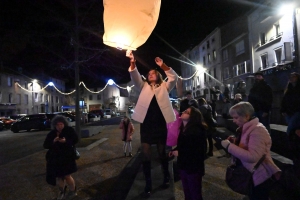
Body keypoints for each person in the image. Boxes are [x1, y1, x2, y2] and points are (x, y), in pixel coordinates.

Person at [127, 50, 178, 196]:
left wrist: (163, 65)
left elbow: (173, 78)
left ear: (158, 76)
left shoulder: (165, 87)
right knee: (146, 154)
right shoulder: (143, 86)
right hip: (147, 124)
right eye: (149, 74)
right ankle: (148, 183)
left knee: (162, 153)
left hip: (160, 123)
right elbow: (135, 76)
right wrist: (132, 61)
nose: (150, 74)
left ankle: (166, 176)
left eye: (153, 73)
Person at [221, 102, 281, 200]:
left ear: (247, 116)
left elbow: (253, 157)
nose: (233, 121)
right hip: (250, 174)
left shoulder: (257, 130)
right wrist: (235, 142)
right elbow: (247, 146)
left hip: (258, 177)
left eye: (236, 117)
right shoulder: (246, 128)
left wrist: (229, 147)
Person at [169, 106, 207, 200]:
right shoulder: (183, 129)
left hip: (193, 168)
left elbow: (198, 152)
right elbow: (184, 146)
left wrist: (180, 153)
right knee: (187, 192)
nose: (183, 112)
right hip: (184, 166)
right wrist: (175, 150)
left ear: (193, 117)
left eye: (187, 112)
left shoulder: (197, 132)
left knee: (195, 194)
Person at [43, 115, 79, 200]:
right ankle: (62, 192)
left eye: (61, 124)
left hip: (67, 157)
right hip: (56, 159)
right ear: (54, 125)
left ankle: (73, 191)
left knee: (67, 175)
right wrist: (53, 141)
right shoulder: (52, 134)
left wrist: (66, 141)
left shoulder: (69, 130)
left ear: (64, 124)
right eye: (58, 125)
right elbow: (45, 145)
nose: (60, 126)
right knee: (59, 176)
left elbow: (75, 140)